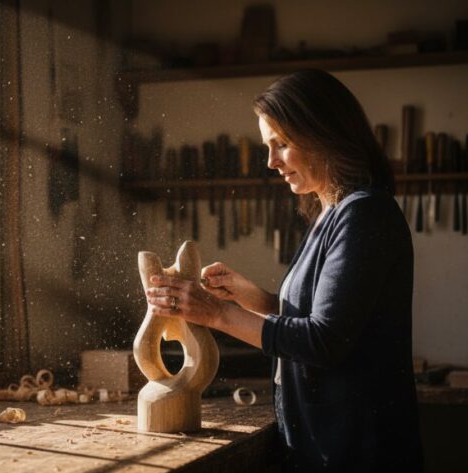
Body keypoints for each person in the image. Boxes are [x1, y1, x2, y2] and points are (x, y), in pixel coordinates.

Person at [144, 69, 422, 472]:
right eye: (267, 146)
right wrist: (248, 295)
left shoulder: (365, 214)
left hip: (358, 451)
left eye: (281, 144)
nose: (271, 162)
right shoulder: (331, 214)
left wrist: (217, 314)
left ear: (322, 135)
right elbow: (317, 319)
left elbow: (323, 340)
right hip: (325, 443)